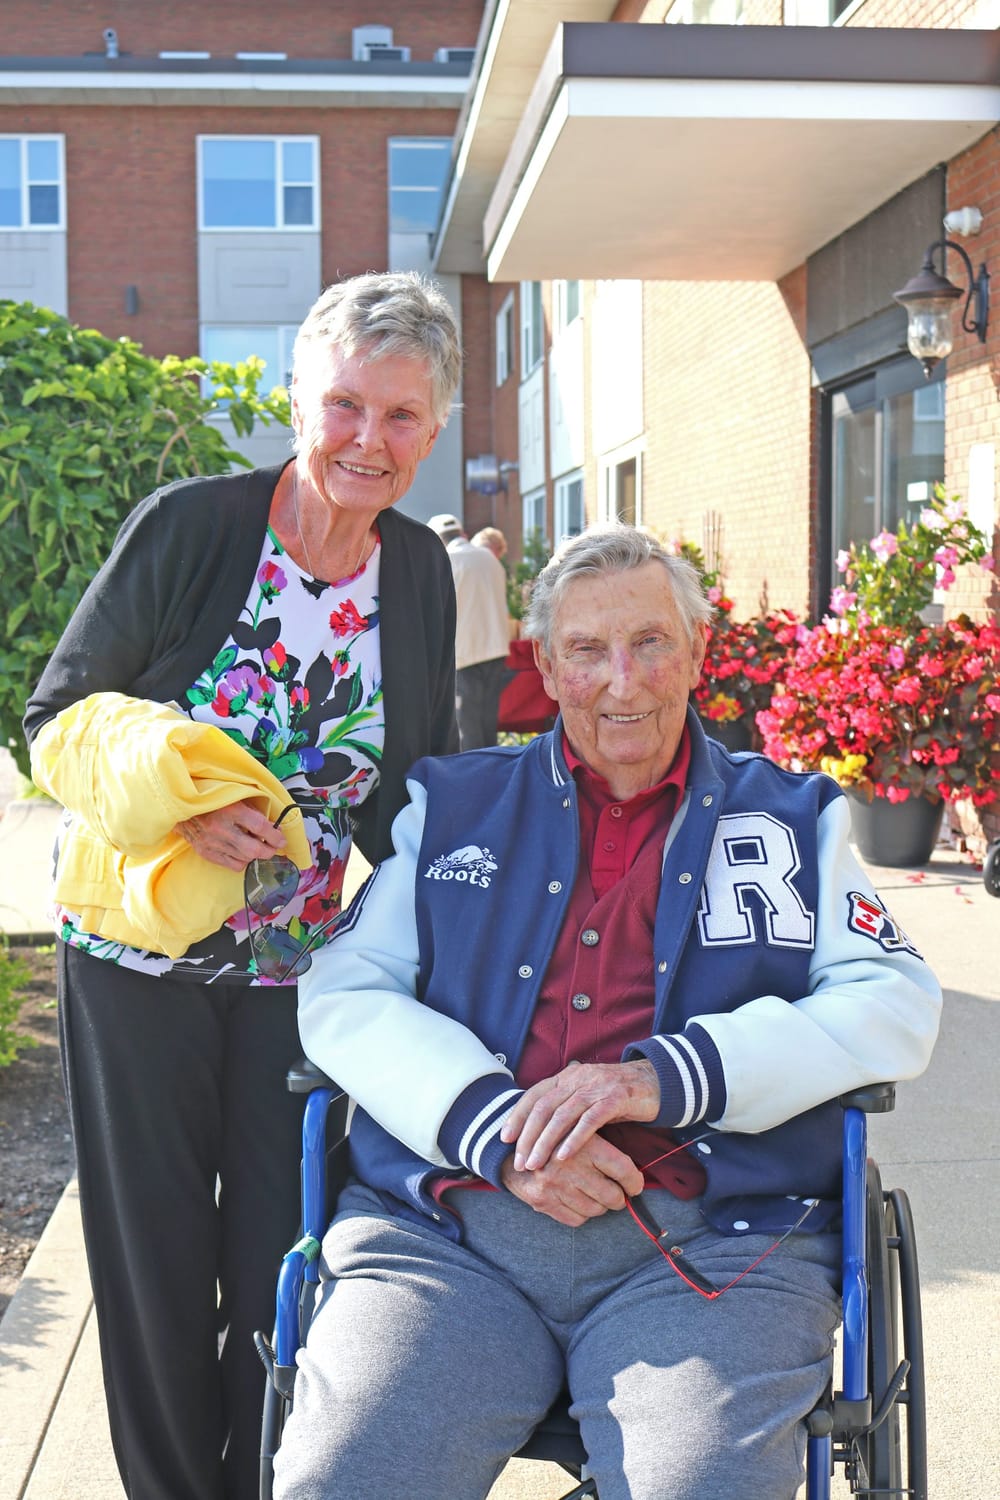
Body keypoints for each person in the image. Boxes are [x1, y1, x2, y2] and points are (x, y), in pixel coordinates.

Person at [274, 524, 943, 1500]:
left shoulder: (793, 820)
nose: (621, 682)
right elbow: (341, 990)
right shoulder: (452, 809)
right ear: (543, 664)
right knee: (343, 1481)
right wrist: (493, 1128)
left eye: (651, 643)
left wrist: (661, 1076)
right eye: (586, 650)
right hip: (449, 1245)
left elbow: (895, 999)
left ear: (698, 651)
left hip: (709, 1253)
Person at [22, 270, 462, 1500]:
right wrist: (178, 797)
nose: (366, 441)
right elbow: (56, 715)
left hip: (302, 969)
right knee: (156, 1263)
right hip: (137, 963)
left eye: (400, 418)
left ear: (431, 432)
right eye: (343, 407)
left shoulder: (417, 572)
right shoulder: (195, 527)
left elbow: (417, 785)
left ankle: (265, 1481)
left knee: (284, 1248)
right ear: (298, 401)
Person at [427, 512, 510, 749]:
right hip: (495, 649)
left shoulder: (446, 559)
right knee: (487, 721)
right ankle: (494, 774)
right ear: (460, 533)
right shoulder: (488, 557)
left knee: (468, 725)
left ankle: (476, 779)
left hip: (465, 653)